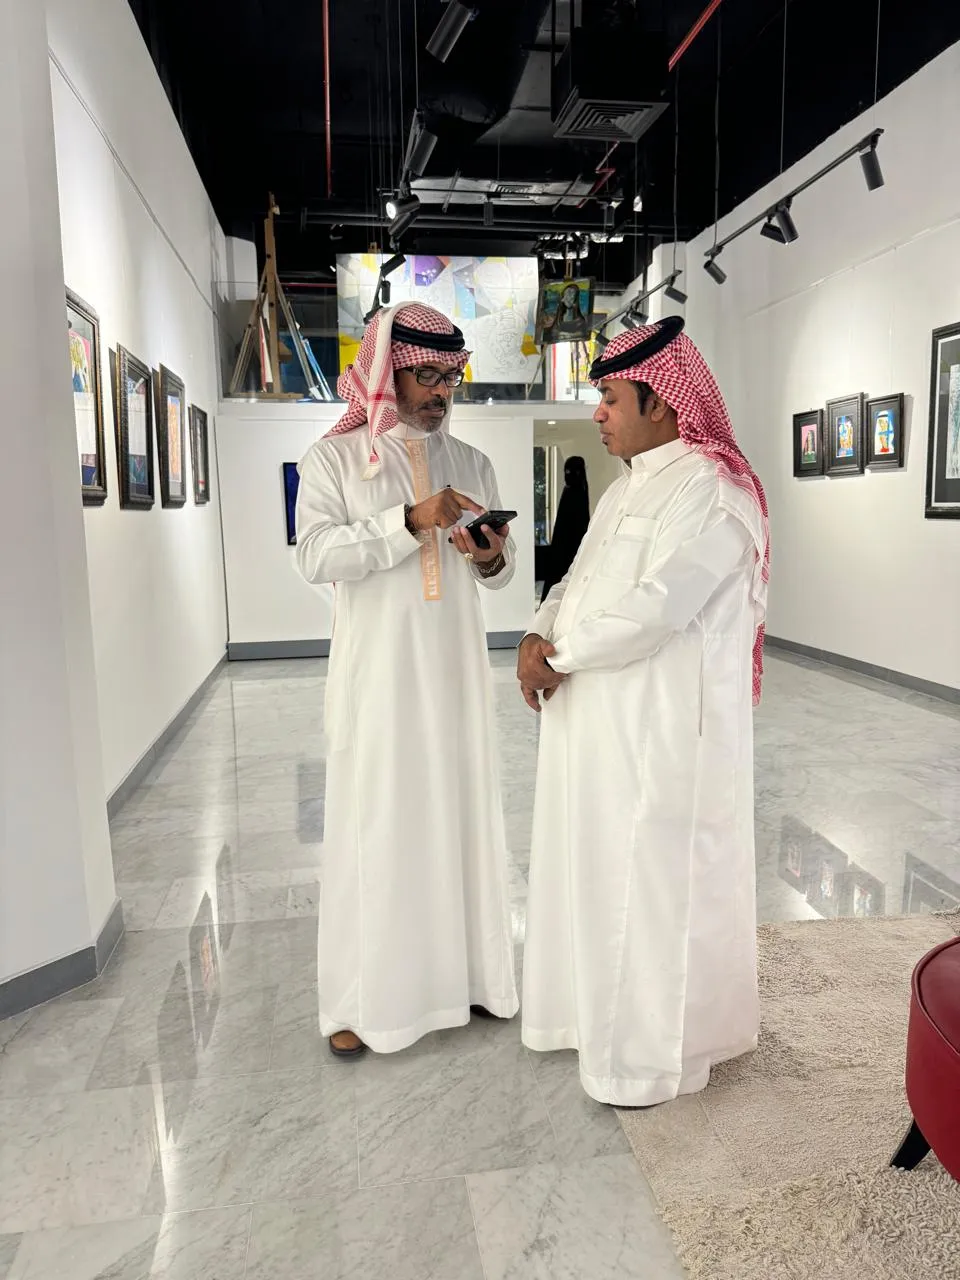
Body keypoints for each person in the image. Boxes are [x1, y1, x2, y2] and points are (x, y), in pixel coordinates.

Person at [517, 315, 770, 1107]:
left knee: (652, 888)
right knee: (596, 874)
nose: (598, 414)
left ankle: (649, 1059)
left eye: (610, 398)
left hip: (661, 737)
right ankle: (587, 1019)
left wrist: (558, 656)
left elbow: (660, 606)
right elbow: (576, 580)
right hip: (598, 726)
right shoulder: (629, 487)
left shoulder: (716, 493)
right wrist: (537, 632)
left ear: (660, 401)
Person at [295, 301, 519, 1058]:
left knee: (459, 814)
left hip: (455, 672)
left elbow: (497, 575)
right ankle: (365, 1001)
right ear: (388, 373)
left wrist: (491, 556)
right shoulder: (334, 459)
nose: (441, 392)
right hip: (381, 677)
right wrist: (409, 521)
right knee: (380, 823)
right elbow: (315, 555)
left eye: (451, 377)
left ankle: (473, 979)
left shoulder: (472, 462)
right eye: (426, 375)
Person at [539, 455, 590, 604]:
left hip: (566, 550)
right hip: (567, 550)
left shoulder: (575, 491)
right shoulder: (578, 490)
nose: (569, 475)